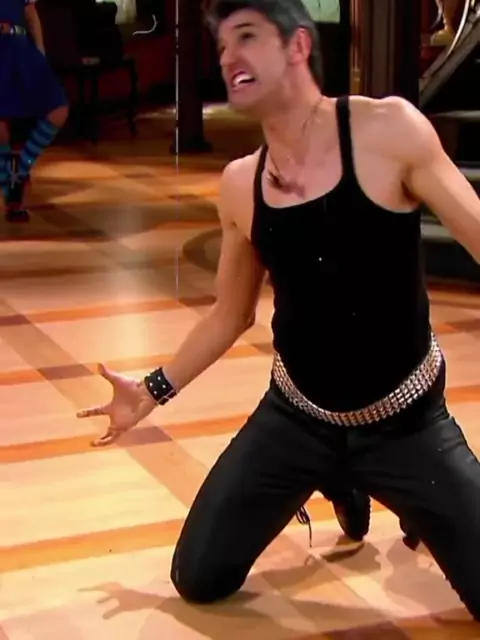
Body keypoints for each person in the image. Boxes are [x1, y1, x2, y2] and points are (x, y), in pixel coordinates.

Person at [77, 0, 480, 619]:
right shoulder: (241, 183)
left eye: (247, 36)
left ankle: (388, 484)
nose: (228, 56)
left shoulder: (389, 131)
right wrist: (151, 391)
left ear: (298, 46)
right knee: (199, 576)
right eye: (222, 46)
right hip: (298, 418)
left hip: (406, 421)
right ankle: (336, 477)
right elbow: (230, 314)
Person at [0, 0, 69, 222]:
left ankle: (20, 170)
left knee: (58, 109)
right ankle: (13, 199)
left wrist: (40, 51)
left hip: (21, 48)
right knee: (0, 128)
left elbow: (30, 11)